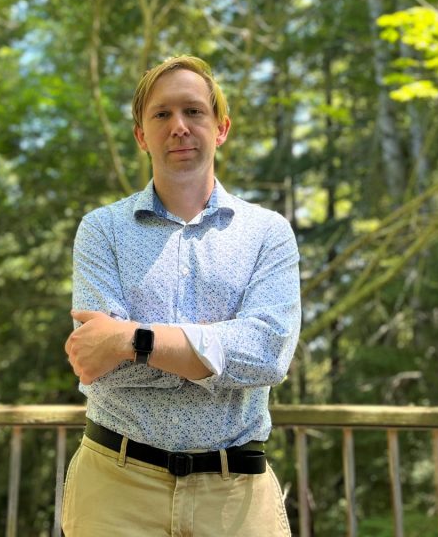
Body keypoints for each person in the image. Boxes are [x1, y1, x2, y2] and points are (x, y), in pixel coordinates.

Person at [62, 55, 300, 537]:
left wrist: (135, 340)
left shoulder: (267, 233)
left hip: (235, 496)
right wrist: (215, 356)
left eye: (194, 112)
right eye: (162, 114)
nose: (179, 127)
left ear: (221, 129)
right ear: (140, 134)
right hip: (115, 489)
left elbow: (267, 355)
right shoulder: (101, 230)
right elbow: (98, 365)